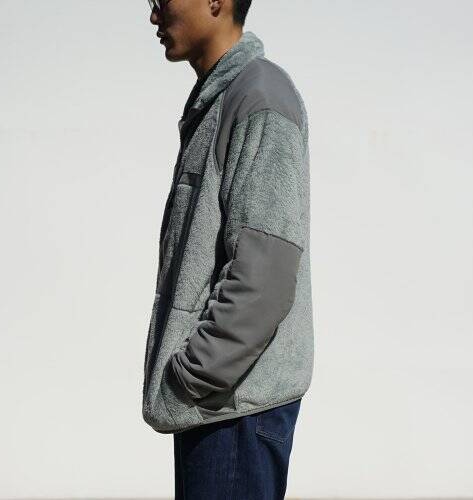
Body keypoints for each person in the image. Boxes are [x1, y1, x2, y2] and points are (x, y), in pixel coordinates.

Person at [143, 1, 314, 498]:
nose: (154, 16)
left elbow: (265, 276)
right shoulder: (223, 99)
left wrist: (192, 375)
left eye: (162, 0)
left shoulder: (259, 97)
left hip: (232, 410)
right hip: (219, 403)